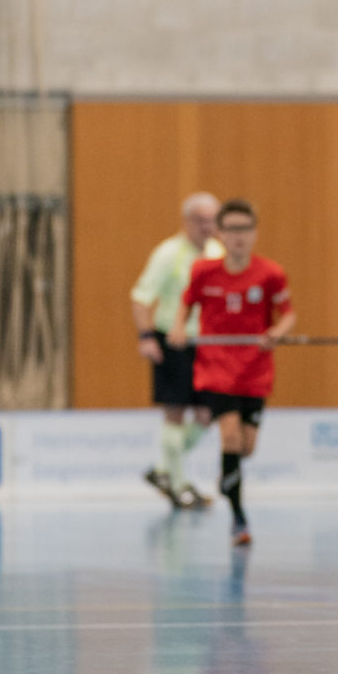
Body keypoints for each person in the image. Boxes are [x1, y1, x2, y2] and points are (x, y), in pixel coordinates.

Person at [168, 199, 296, 546]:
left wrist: (277, 334)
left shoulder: (270, 273)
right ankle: (240, 520)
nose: (239, 237)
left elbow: (287, 315)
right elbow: (186, 303)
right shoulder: (203, 271)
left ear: (254, 234)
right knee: (231, 438)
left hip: (255, 370)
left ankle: (227, 475)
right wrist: (179, 328)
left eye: (245, 229)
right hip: (216, 367)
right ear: (220, 234)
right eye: (232, 230)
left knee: (246, 448)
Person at [130, 191, 223, 509]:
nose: (207, 227)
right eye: (201, 221)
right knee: (175, 410)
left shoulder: (216, 252)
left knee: (207, 414)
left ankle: (163, 471)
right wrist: (146, 336)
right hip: (174, 340)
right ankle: (179, 484)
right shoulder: (169, 253)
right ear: (186, 222)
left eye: (213, 221)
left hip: (208, 343)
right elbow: (142, 296)